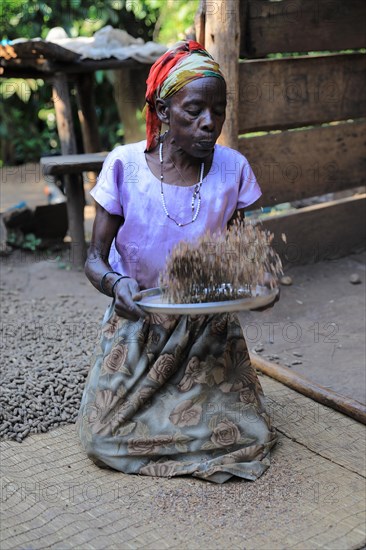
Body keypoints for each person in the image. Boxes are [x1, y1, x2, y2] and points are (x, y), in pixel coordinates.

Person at [77, 40, 277, 483]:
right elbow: (92, 259)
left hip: (208, 328)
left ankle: (184, 420)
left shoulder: (232, 168)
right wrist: (115, 285)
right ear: (164, 112)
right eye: (194, 111)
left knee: (251, 434)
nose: (210, 123)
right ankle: (177, 422)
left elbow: (245, 254)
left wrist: (259, 284)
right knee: (101, 436)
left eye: (218, 111)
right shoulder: (125, 165)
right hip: (141, 320)